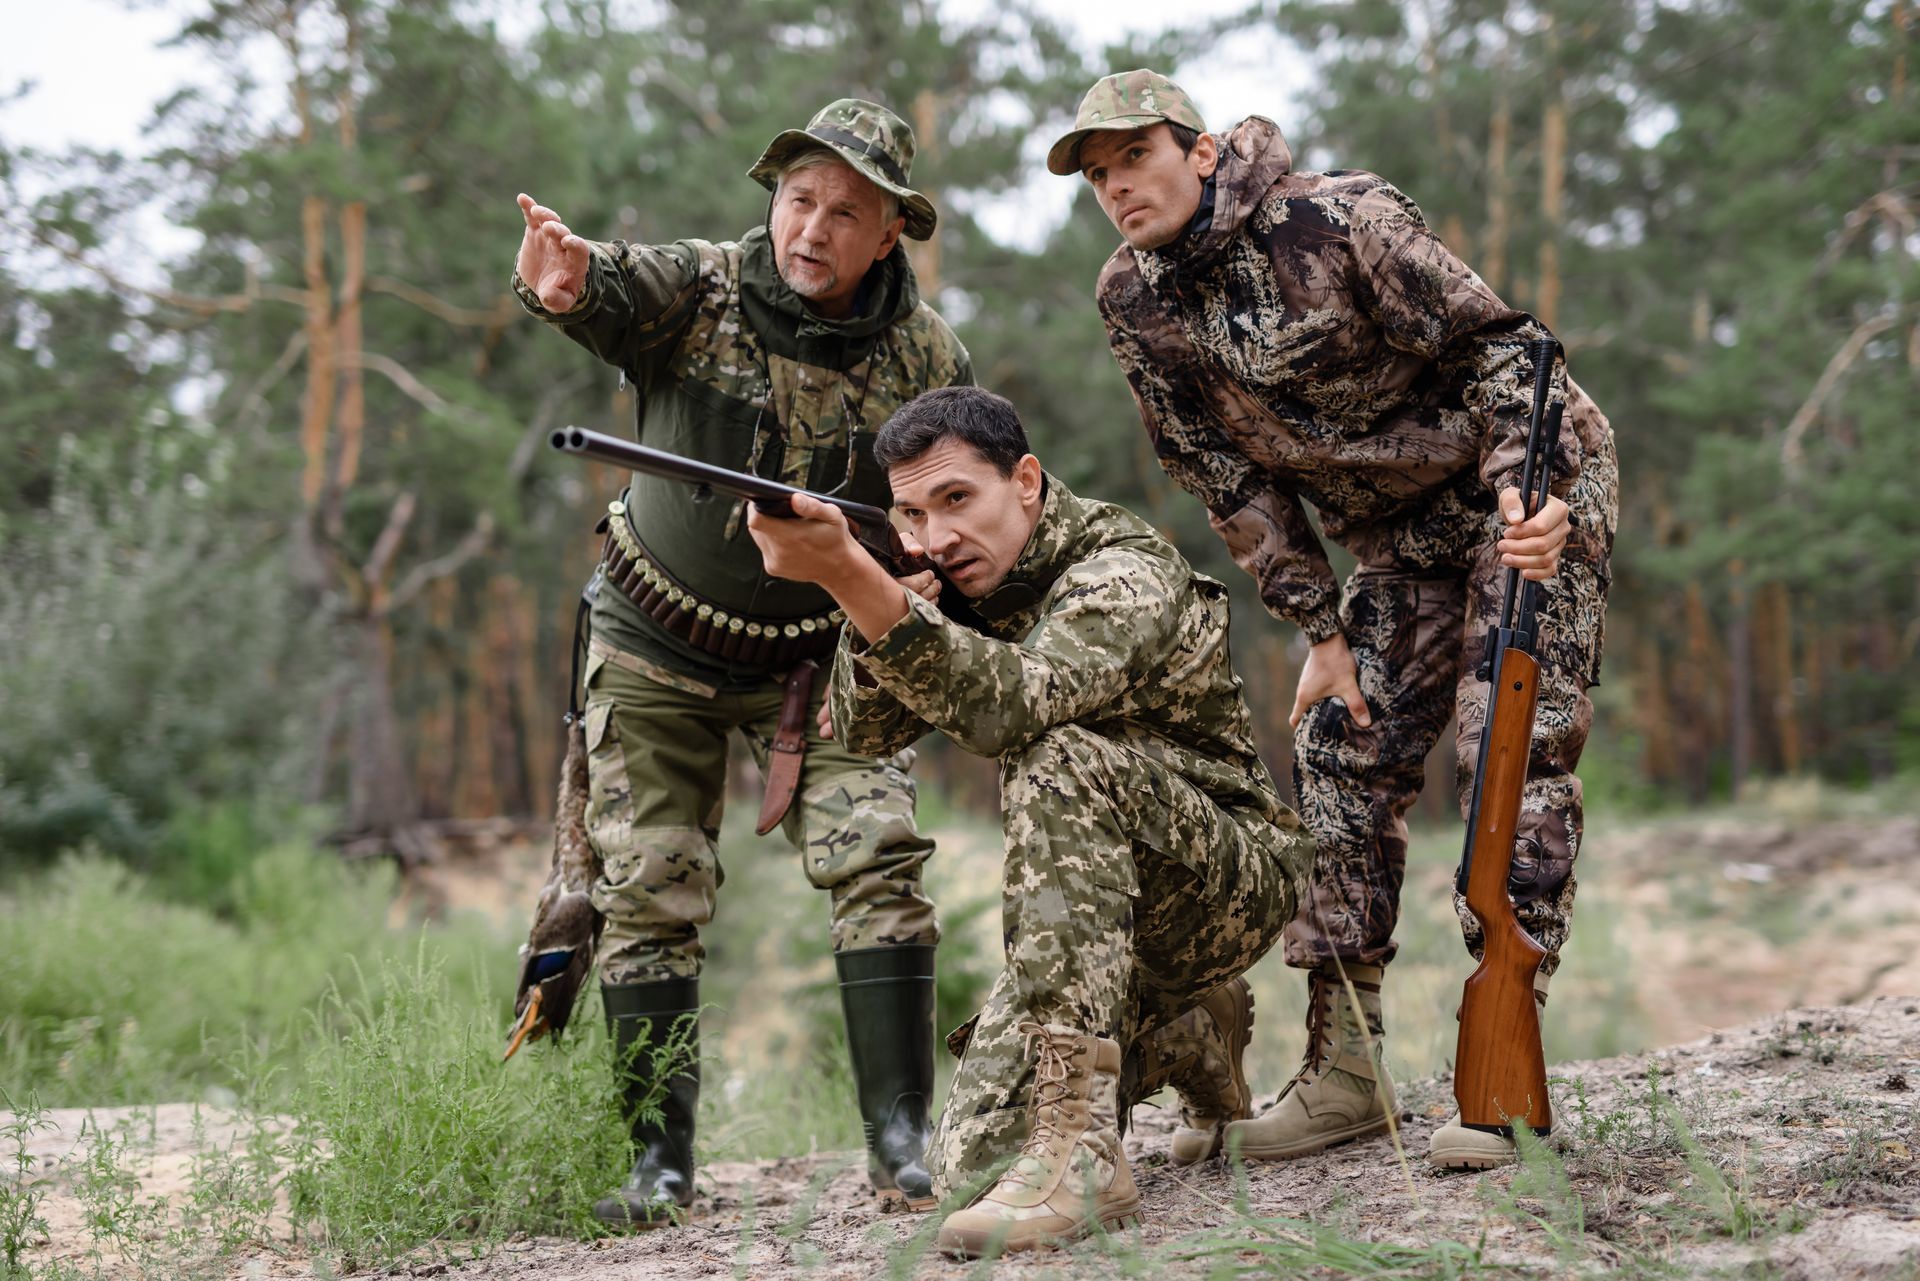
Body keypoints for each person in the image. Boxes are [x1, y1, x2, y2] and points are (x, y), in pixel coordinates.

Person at [1051, 69, 1618, 1170]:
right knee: (1338, 744)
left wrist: (1531, 499)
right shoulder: (1134, 298)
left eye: (1137, 157)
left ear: (1200, 150)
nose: (1119, 186)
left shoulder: (1340, 218)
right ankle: (1347, 1069)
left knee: (1510, 737)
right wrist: (1321, 629)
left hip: (1524, 493)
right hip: (1397, 534)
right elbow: (1217, 472)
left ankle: (1505, 1061)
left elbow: (1510, 351)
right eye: (1098, 173)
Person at [511, 98, 971, 1226]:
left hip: (822, 658)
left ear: (888, 235)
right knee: (649, 887)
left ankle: (901, 1148)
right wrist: (562, 281)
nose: (811, 229)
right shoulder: (701, 283)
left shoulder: (928, 353)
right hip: (653, 640)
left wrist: (922, 575)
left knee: (879, 864)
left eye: (844, 213)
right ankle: (658, 1168)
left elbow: (944, 513)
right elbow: (604, 286)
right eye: (797, 200)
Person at [744, 385, 1311, 1253]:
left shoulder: (1123, 569)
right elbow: (865, 731)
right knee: (966, 1172)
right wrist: (886, 591)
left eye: (957, 499)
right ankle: (1190, 1030)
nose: (935, 536)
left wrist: (849, 575)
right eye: (910, 514)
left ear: (1029, 481)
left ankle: (1084, 1149)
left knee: (1057, 752)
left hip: (1224, 880)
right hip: (1092, 908)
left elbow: (1019, 705)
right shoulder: (950, 573)